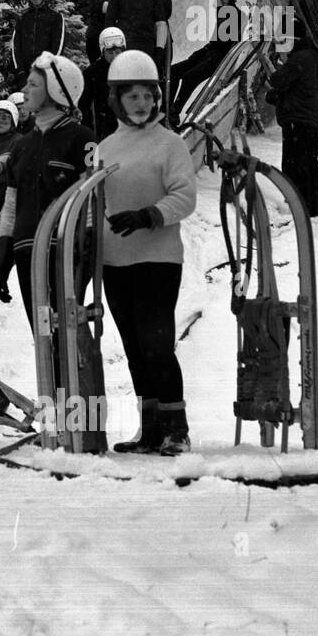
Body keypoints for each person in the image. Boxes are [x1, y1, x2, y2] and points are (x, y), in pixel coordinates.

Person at [97, 50, 198, 456]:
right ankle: (151, 430)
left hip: (158, 260)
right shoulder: (104, 147)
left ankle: (177, 429)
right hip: (114, 262)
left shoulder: (171, 144)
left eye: (147, 96)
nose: (141, 103)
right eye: (132, 96)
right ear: (117, 100)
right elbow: (95, 204)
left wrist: (149, 215)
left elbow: (185, 197)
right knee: (135, 348)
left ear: (157, 98)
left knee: (157, 343)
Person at [0, 53, 94, 322]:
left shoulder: (82, 139)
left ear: (56, 91)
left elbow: (92, 200)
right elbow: (11, 206)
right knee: (43, 343)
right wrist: (1, 260)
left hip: (65, 253)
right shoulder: (21, 146)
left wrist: (87, 254)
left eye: (33, 85)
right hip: (27, 253)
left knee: (66, 343)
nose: (24, 91)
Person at [266, 20, 318, 218]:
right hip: (306, 119)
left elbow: (278, 80)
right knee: (307, 163)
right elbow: (295, 88)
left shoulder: (300, 58)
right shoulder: (310, 56)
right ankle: (313, 206)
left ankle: (305, 209)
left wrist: (268, 62)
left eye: (284, 39)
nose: (281, 43)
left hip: (299, 121)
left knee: (297, 165)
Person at [105, 0, 168, 71]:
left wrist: (160, 49)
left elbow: (161, 24)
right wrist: (110, 48)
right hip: (122, 46)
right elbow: (109, 23)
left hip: (147, 46)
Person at [9, 0, 65, 89]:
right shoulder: (22, 19)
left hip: (48, 75)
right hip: (25, 76)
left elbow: (58, 48)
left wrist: (46, 69)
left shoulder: (55, 18)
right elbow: (15, 48)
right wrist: (20, 73)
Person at [80, 27, 126, 139]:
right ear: (103, 51)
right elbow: (84, 106)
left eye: (117, 52)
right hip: (101, 130)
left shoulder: (130, 68)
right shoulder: (92, 73)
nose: (114, 56)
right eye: (110, 52)